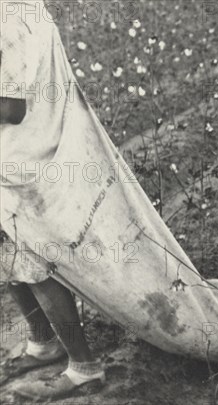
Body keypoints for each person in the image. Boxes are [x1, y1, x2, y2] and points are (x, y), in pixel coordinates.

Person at [0, 0, 105, 400]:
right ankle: (42, 341)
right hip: (31, 149)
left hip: (19, 160)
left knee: (34, 265)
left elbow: (10, 107)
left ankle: (84, 367)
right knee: (10, 255)